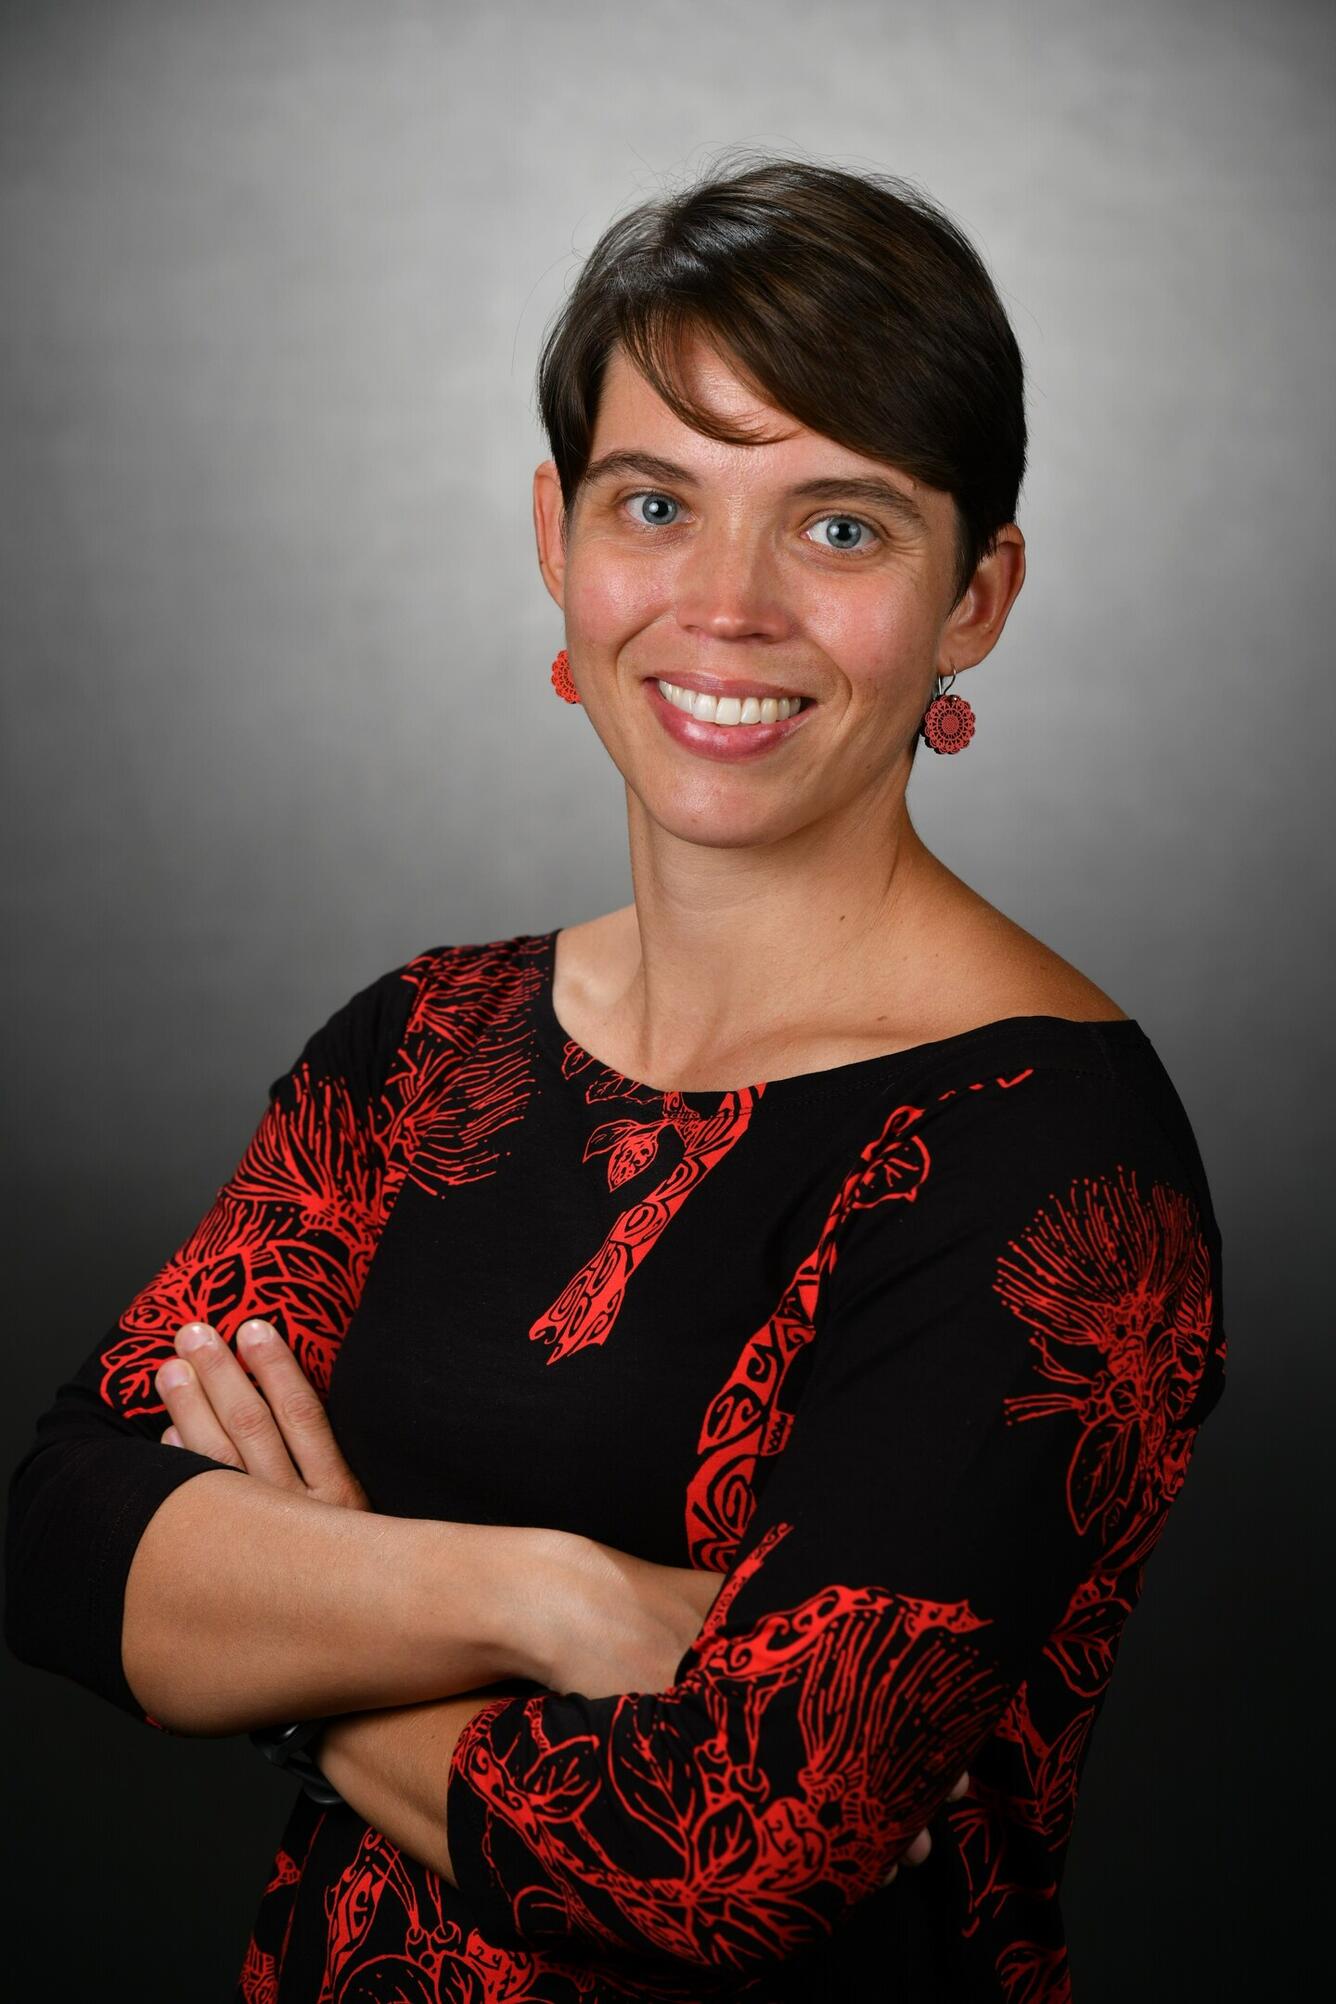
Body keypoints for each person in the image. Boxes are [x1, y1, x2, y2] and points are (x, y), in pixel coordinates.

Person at [4, 152, 1227, 2002]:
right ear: (554, 537)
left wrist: (296, 1635)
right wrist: (540, 1600)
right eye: (656, 501)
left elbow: (731, 1863)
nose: (724, 605)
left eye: (840, 527)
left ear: (976, 595)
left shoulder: (1055, 1164)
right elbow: (62, 1528)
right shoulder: (423, 1048)